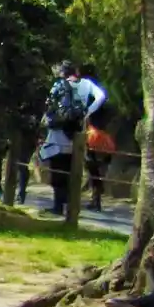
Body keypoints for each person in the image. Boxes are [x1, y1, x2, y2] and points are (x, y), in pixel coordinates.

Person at [37, 62, 103, 215]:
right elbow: (101, 96)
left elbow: (50, 107)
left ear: (62, 72)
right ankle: (70, 208)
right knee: (70, 171)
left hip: (59, 133)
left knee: (57, 171)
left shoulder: (59, 85)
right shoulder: (86, 84)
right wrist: (88, 112)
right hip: (76, 133)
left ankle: (58, 207)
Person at [80, 63, 114, 212]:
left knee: (93, 169)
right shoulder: (102, 92)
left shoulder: (87, 93)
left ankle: (96, 199)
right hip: (103, 136)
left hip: (92, 136)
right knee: (98, 171)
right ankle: (96, 198)